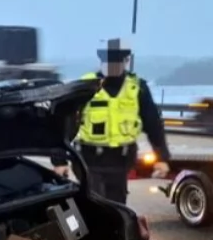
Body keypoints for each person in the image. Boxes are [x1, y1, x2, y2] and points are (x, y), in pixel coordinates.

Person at [52, 38, 170, 204]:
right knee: (97, 205)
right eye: (108, 61)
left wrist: (161, 158)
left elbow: (153, 125)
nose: (111, 65)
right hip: (90, 161)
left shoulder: (137, 88)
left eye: (116, 61)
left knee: (117, 206)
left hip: (121, 162)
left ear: (126, 61)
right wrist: (59, 160)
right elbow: (64, 123)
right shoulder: (86, 86)